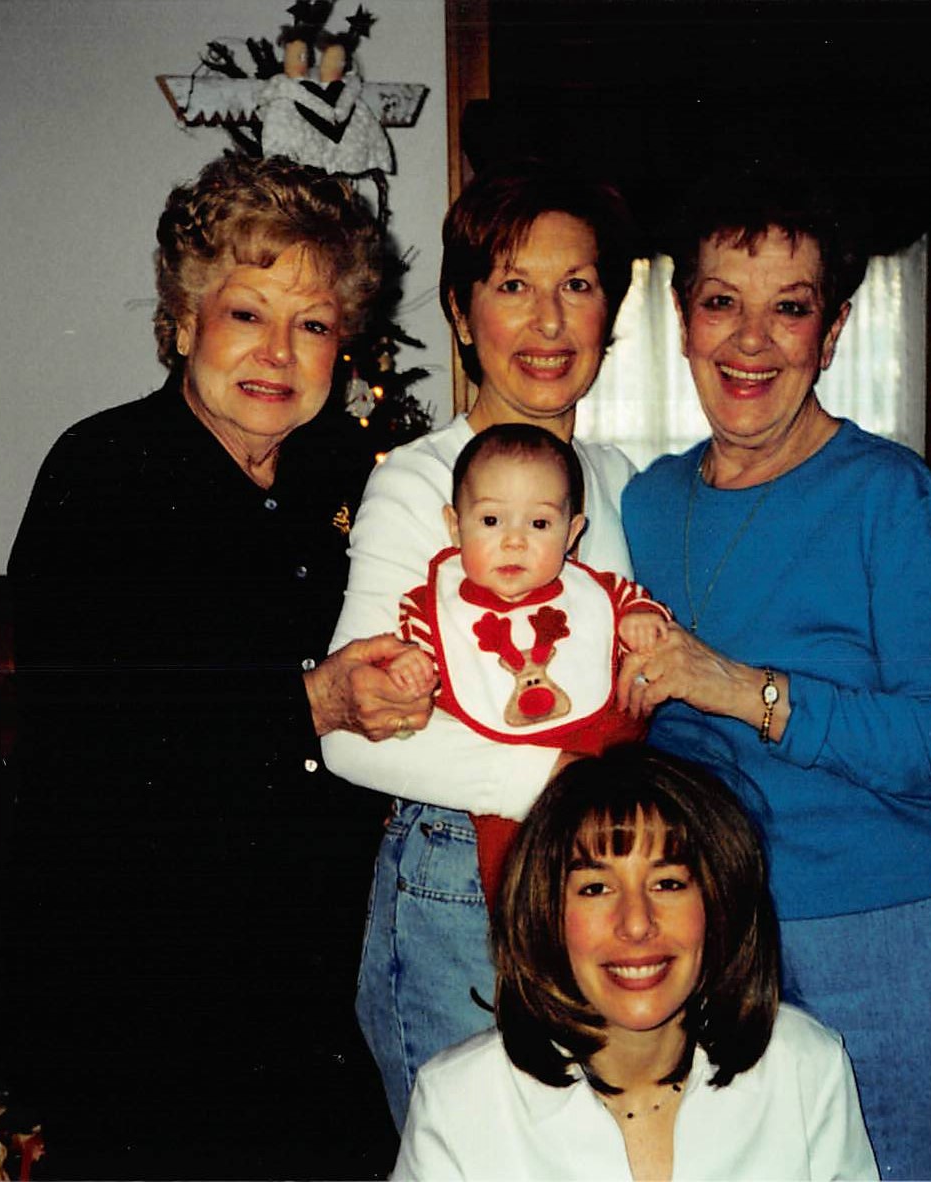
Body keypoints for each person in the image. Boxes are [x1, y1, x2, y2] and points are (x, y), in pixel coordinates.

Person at [5, 152, 428, 1178]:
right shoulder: (100, 474)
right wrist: (310, 703)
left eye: (312, 324)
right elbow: (88, 741)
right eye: (247, 313)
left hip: (324, 967)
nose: (278, 353)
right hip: (150, 976)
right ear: (185, 319)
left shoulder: (350, 472)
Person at [616, 177, 931, 1180]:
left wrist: (747, 691)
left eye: (787, 308)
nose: (749, 341)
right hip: (713, 944)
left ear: (829, 334)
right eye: (721, 302)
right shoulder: (644, 503)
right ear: (682, 320)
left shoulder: (892, 496)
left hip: (897, 936)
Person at [320, 158, 641, 1127]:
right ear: (461, 314)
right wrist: (563, 785)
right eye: (511, 287)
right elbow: (352, 733)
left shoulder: (622, 480)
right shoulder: (418, 484)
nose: (548, 323)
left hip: (609, 871)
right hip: (461, 872)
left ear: (610, 312)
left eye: (576, 286)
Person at [392, 745, 879, 1181]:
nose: (637, 923)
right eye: (596, 888)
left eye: (668, 883)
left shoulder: (804, 1066)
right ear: (544, 913)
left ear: (718, 903)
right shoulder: (459, 1103)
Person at [385, 423, 671, 906]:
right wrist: (409, 666)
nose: (514, 541)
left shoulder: (596, 590)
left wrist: (642, 619)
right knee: (512, 875)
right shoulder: (429, 606)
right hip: (509, 783)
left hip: (608, 763)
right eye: (491, 521)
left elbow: (635, 603)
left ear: (572, 532)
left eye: (539, 524)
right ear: (455, 526)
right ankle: (519, 929)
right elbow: (414, 660)